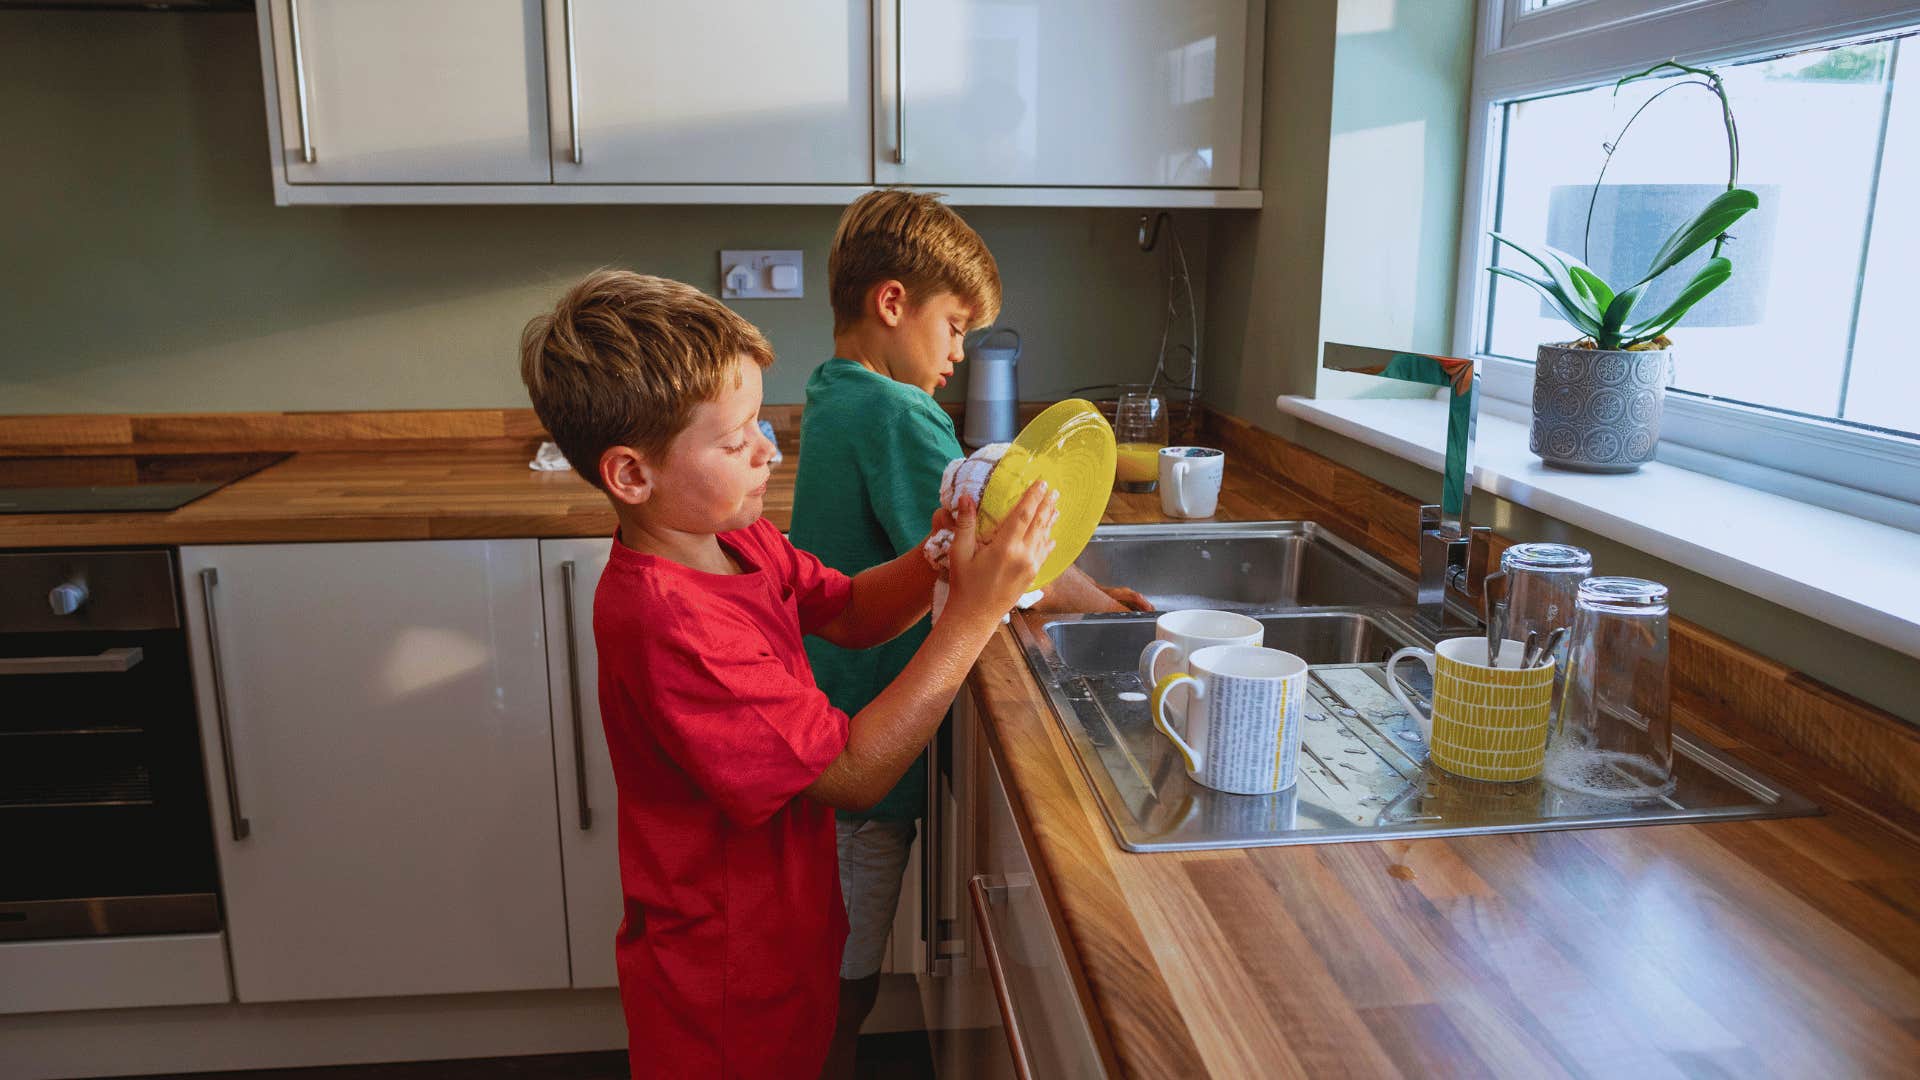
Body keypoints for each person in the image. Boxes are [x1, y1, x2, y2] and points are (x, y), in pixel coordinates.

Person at [518, 269, 1058, 1078]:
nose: (769, 449)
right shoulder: (670, 621)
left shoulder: (737, 537)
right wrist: (973, 615)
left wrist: (937, 555)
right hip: (722, 982)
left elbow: (846, 610)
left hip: (786, 932)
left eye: (761, 422)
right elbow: (852, 773)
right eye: (737, 442)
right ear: (632, 475)